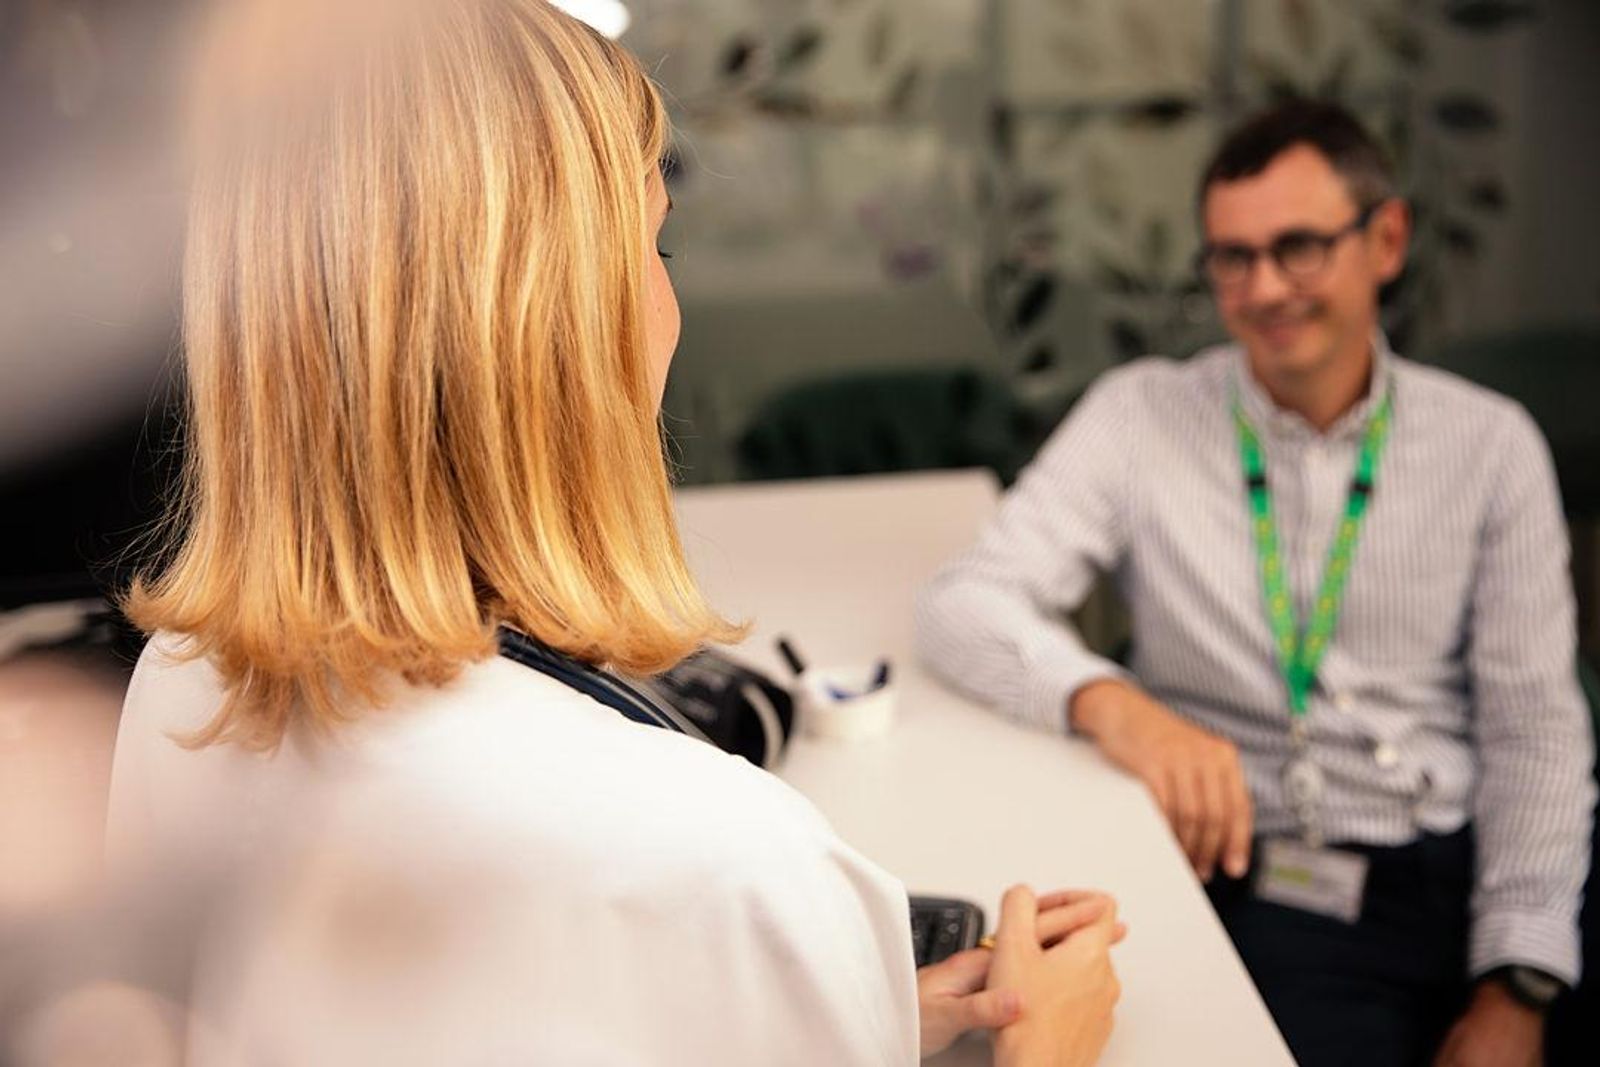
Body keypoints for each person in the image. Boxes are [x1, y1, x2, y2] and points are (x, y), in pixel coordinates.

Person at [103, 1, 1121, 1064]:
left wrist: (849, 1008)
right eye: (655, 241)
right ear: (555, 324)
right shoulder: (713, 851)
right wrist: (1042, 1041)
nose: (672, 300)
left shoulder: (178, 690)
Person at [917, 99, 1595, 1067]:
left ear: (1387, 238)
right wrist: (1114, 703)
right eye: (1231, 257)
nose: (1264, 286)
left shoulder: (1488, 445)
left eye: (1299, 247)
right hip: (1249, 865)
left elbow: (1533, 724)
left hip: (1454, 849)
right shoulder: (1142, 414)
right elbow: (963, 600)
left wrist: (1517, 983)